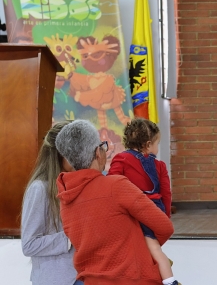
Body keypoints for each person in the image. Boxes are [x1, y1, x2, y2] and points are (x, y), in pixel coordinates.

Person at [55, 119, 175, 285]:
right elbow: (164, 226)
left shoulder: (65, 198)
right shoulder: (115, 186)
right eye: (103, 146)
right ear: (98, 153)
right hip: (134, 279)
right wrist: (146, 247)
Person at [108, 118, 177, 285]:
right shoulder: (159, 165)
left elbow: (111, 183)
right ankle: (168, 278)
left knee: (142, 247)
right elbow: (166, 193)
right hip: (155, 209)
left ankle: (164, 277)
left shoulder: (121, 160)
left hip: (134, 210)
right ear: (147, 144)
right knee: (153, 248)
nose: (157, 148)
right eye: (157, 143)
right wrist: (164, 217)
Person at [20, 121, 82, 285]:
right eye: (76, 151)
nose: (82, 156)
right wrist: (70, 238)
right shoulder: (39, 189)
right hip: (57, 279)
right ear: (61, 154)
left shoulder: (78, 183)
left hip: (82, 275)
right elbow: (29, 244)